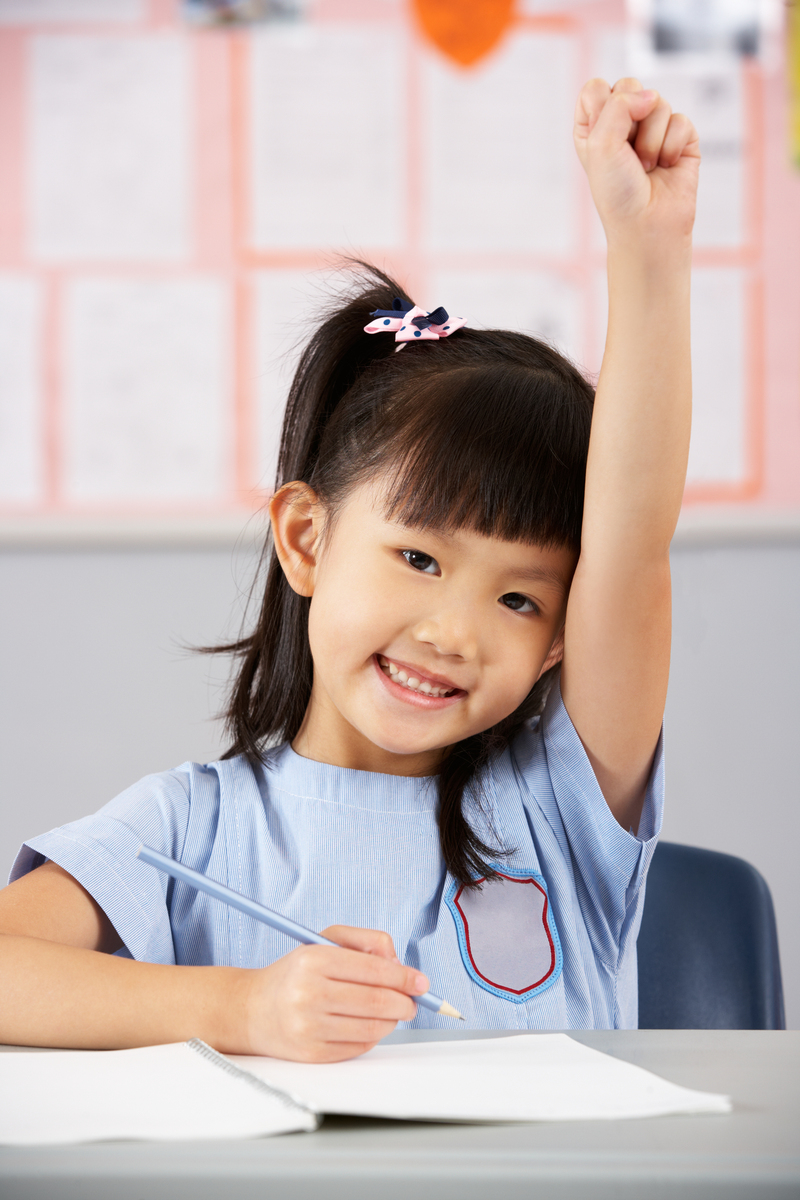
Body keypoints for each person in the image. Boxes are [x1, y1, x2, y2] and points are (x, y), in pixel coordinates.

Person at [0, 78, 699, 1062]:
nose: (452, 631)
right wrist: (238, 1009)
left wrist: (649, 250)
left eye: (516, 598)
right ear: (305, 541)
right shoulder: (186, 825)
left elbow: (630, 550)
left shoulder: (561, 800)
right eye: (417, 557)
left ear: (556, 642)